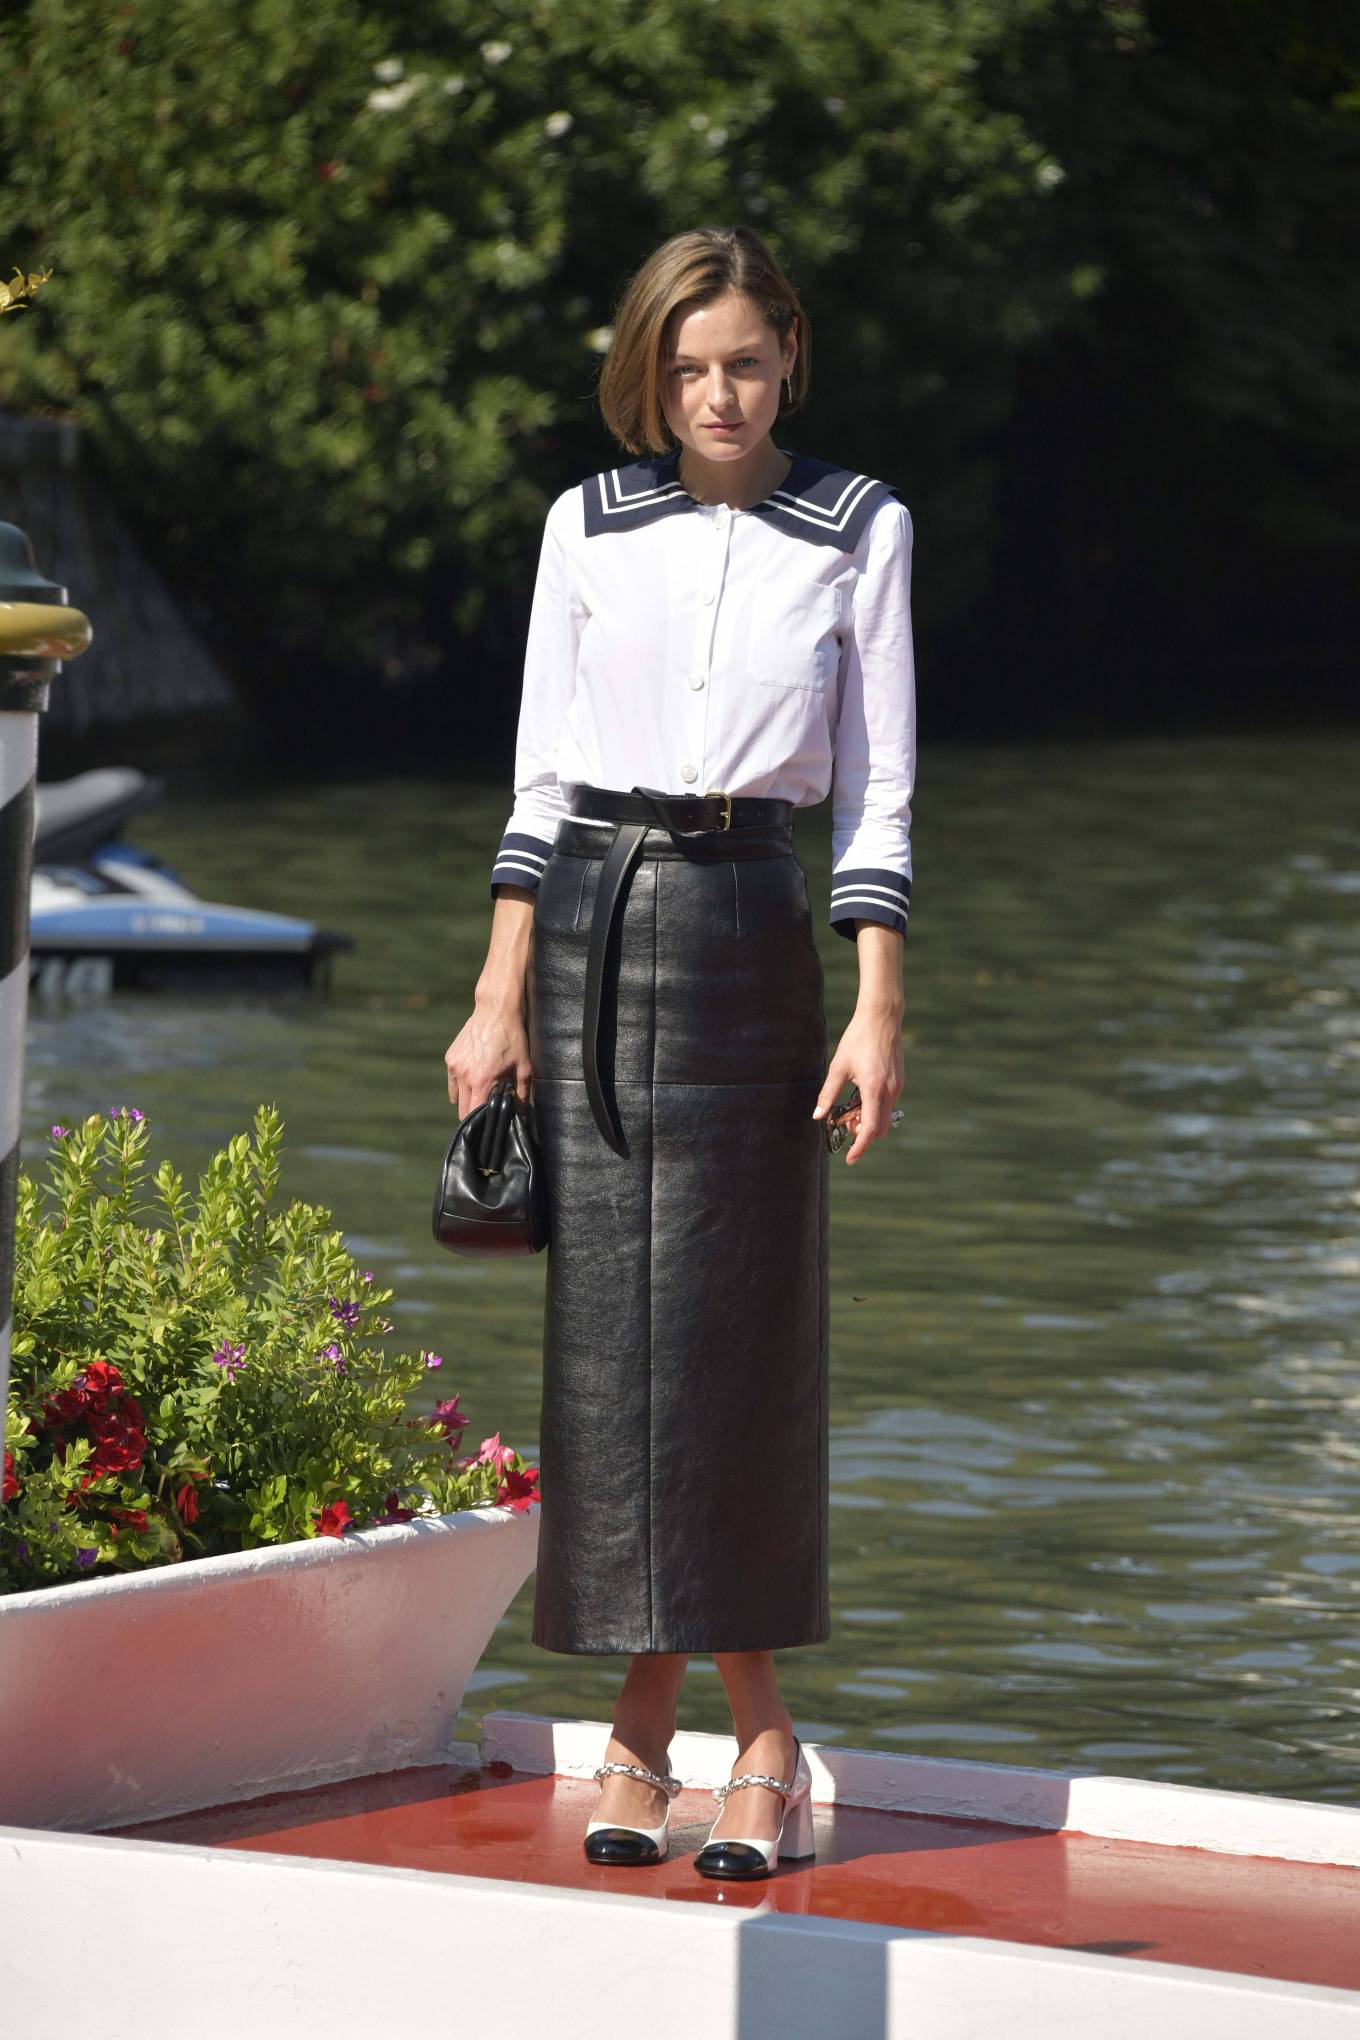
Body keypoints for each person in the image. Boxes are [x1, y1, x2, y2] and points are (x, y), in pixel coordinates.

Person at [444, 222, 915, 1880]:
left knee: (740, 1329)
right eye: (687, 365)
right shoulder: (588, 521)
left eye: (745, 359)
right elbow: (539, 777)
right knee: (614, 1349)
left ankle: (710, 1732)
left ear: (790, 351)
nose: (717, 393)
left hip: (749, 928)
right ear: (653, 370)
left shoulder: (860, 529)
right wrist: (497, 995)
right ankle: (724, 1736)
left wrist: (877, 1001)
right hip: (588, 928)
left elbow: (876, 789)